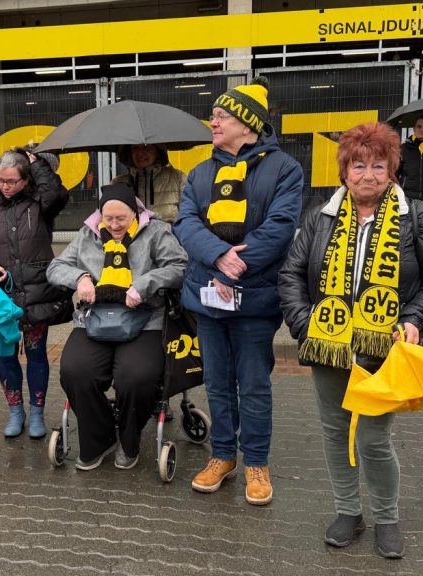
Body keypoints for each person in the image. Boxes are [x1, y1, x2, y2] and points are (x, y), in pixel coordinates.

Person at [279, 122, 423, 559]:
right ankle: (347, 511)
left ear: (392, 170)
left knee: (374, 439)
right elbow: (291, 276)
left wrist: (415, 318)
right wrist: (306, 325)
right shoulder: (319, 217)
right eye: (359, 165)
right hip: (328, 346)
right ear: (345, 170)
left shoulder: (414, 216)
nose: (368, 175)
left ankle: (387, 516)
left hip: (384, 350)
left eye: (379, 166)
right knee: (336, 432)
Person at [172, 77, 303, 505]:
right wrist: (218, 257)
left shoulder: (284, 168)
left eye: (221, 115)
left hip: (255, 298)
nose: (213, 120)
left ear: (248, 123)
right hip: (206, 295)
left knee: (254, 384)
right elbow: (186, 223)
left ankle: (256, 462)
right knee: (217, 383)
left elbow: (280, 227)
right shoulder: (200, 171)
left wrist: (234, 268)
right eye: (214, 114)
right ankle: (222, 455)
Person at [47, 183, 187, 470]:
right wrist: (80, 278)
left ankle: (128, 437)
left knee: (136, 377)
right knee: (75, 371)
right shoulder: (88, 234)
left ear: (135, 213)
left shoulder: (156, 232)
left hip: (146, 319)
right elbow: (55, 267)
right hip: (95, 320)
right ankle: (100, 437)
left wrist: (143, 285)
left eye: (120, 219)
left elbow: (179, 266)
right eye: (107, 219)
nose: (113, 225)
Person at [0, 149, 70, 439]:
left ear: (26, 179)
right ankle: (15, 411)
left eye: (12, 181)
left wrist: (38, 165)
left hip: (36, 292)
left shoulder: (41, 204)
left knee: (37, 355)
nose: (5, 186)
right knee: (6, 356)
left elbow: (56, 195)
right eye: (1, 180)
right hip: (1, 296)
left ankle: (37, 412)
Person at [110, 144, 184, 224]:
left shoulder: (178, 179)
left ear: (158, 151)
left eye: (147, 147)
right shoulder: (117, 183)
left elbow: (188, 217)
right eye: (135, 148)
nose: (140, 153)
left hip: (169, 235)